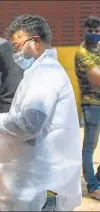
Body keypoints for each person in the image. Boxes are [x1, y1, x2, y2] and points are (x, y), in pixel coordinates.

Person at [0, 14, 82, 211]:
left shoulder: (46, 75)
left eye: (18, 46)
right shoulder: (36, 73)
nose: (15, 53)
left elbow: (27, 124)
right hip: (29, 176)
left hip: (39, 181)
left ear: (35, 41)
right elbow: (16, 117)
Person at [75, 15, 100, 200]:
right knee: (89, 147)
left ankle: (97, 178)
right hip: (91, 105)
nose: (94, 34)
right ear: (84, 31)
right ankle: (92, 185)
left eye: (97, 32)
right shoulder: (82, 52)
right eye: (90, 31)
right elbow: (96, 77)